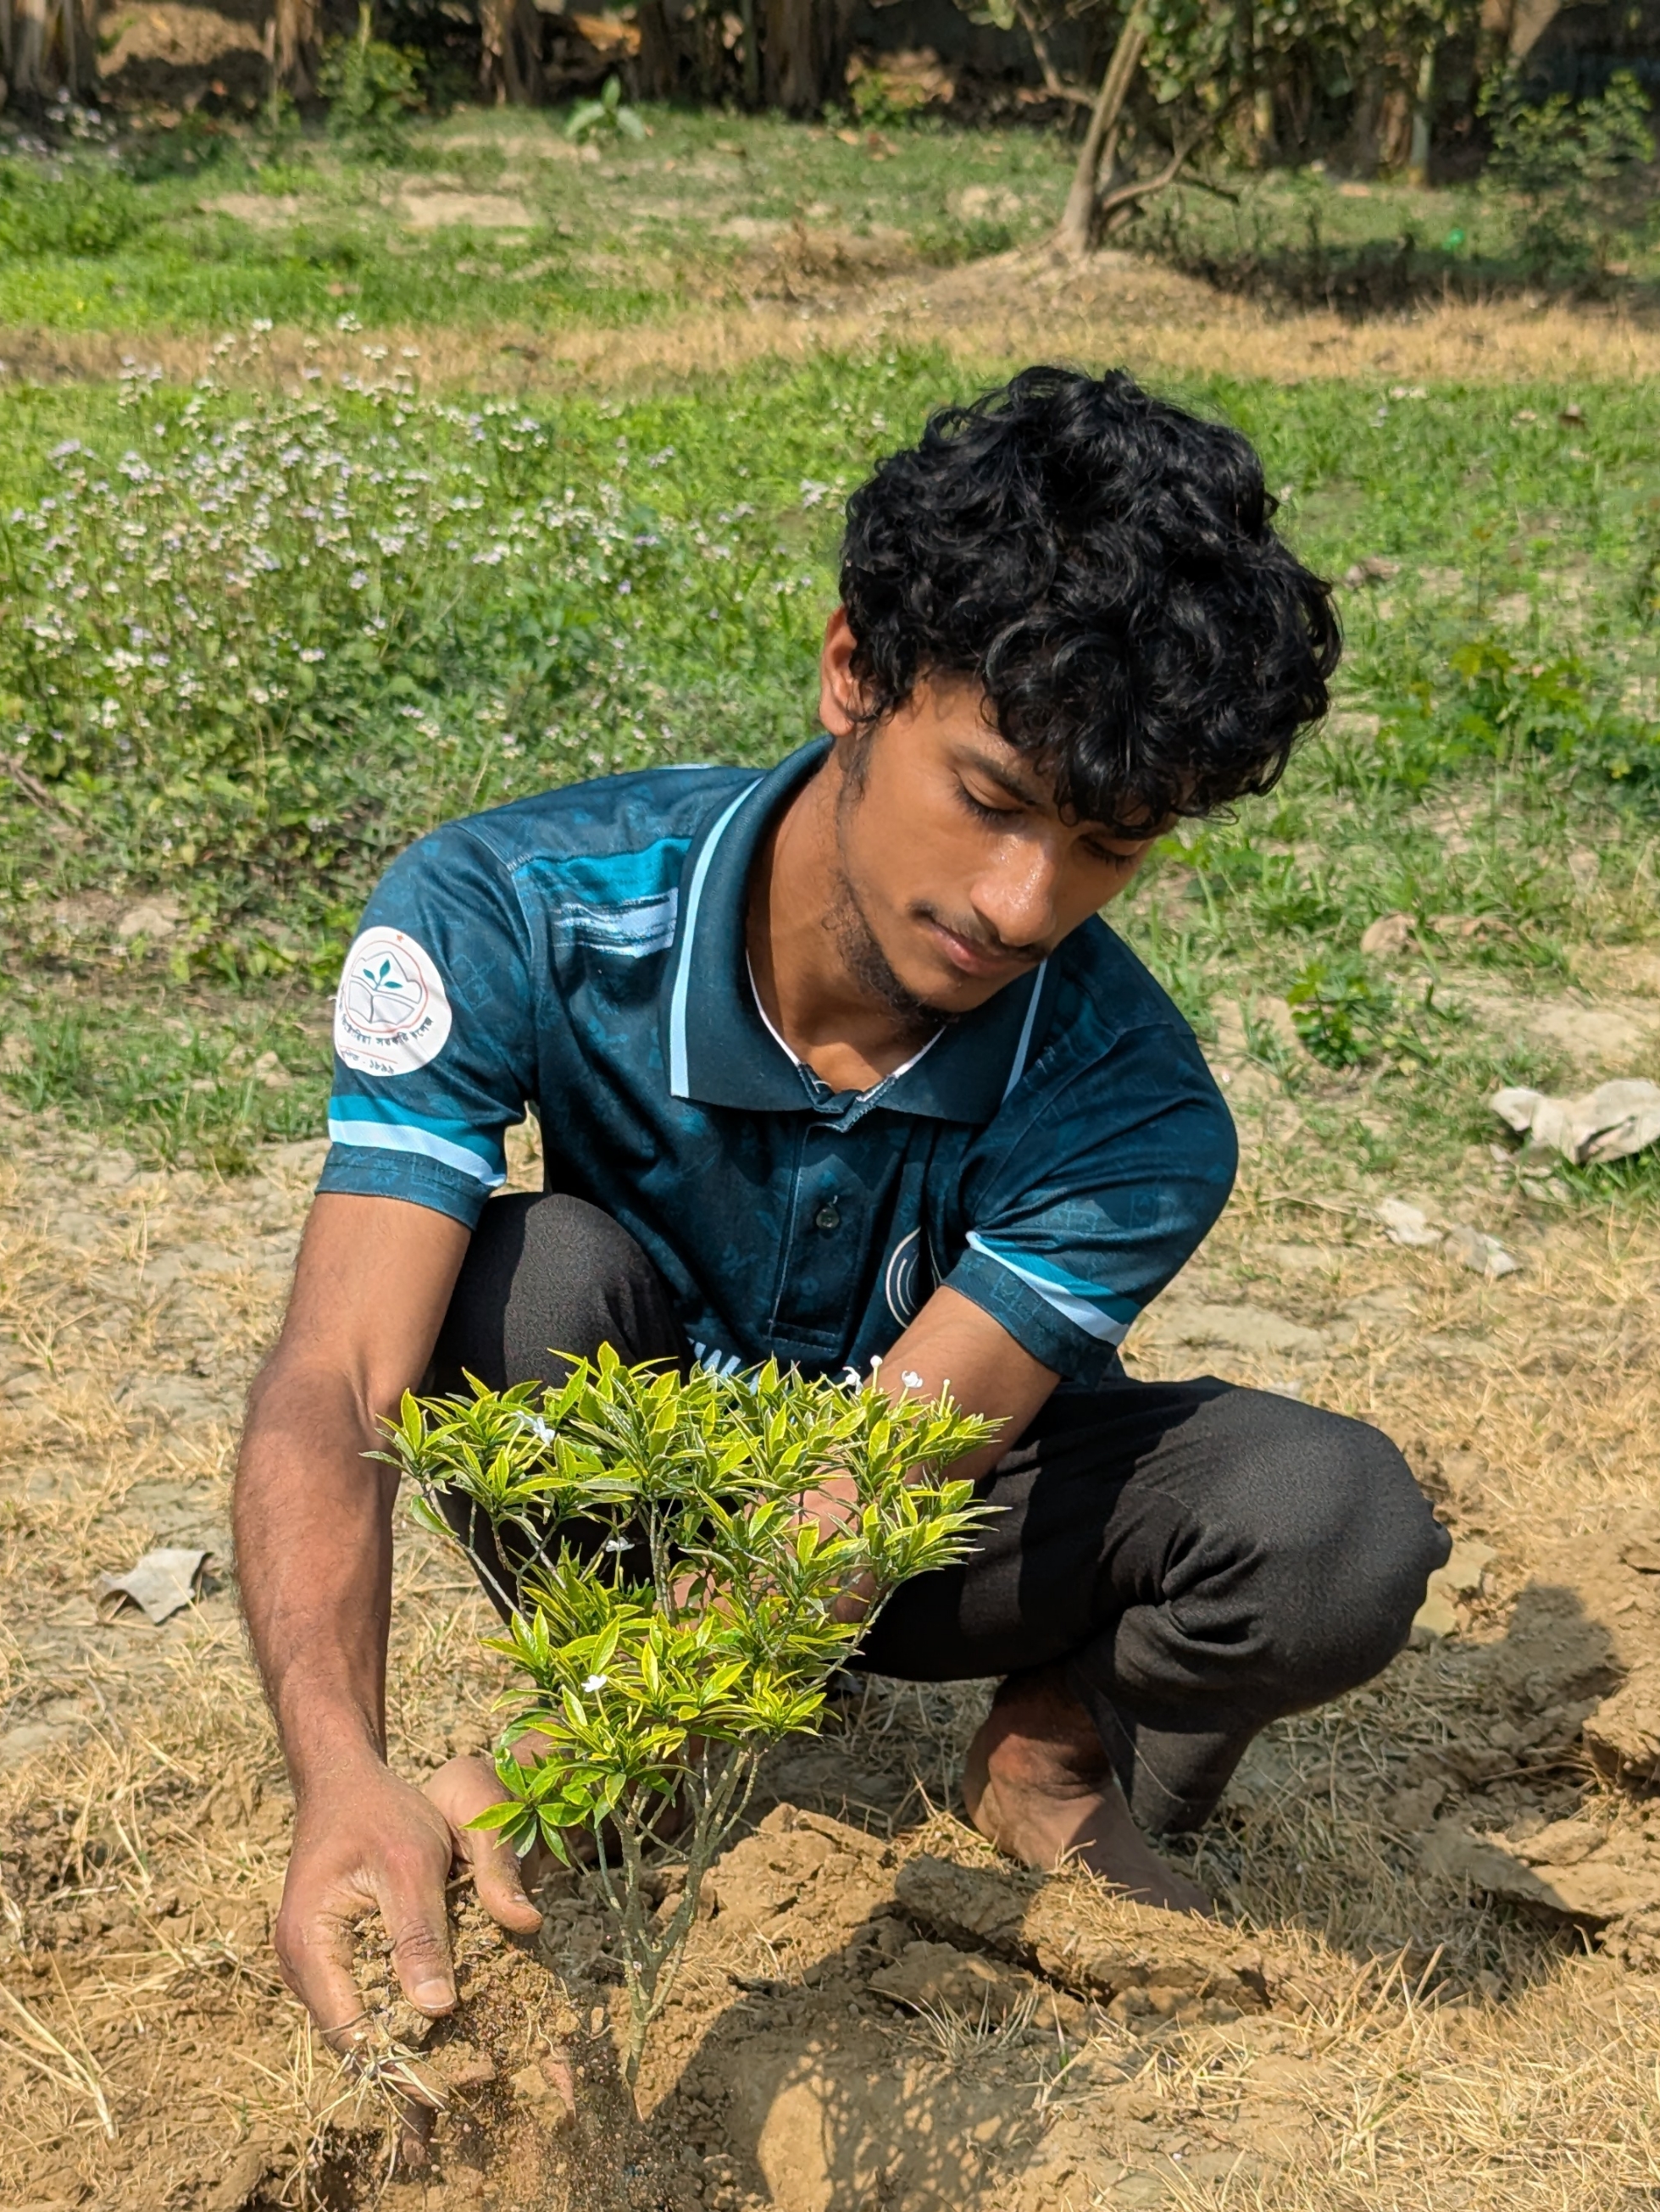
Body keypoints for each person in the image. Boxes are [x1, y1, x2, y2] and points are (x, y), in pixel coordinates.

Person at [231, 365, 1450, 2043]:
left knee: (1333, 1520)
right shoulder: (515, 906)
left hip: (929, 1532)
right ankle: (660, 1737)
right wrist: (341, 1766)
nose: (1025, 904)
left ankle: (1045, 1761)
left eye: (1109, 844)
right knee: (509, 1276)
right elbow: (335, 1377)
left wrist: (559, 1746)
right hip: (639, 1465)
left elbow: (871, 1494)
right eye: (994, 798)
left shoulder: (1132, 1101)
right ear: (853, 677)